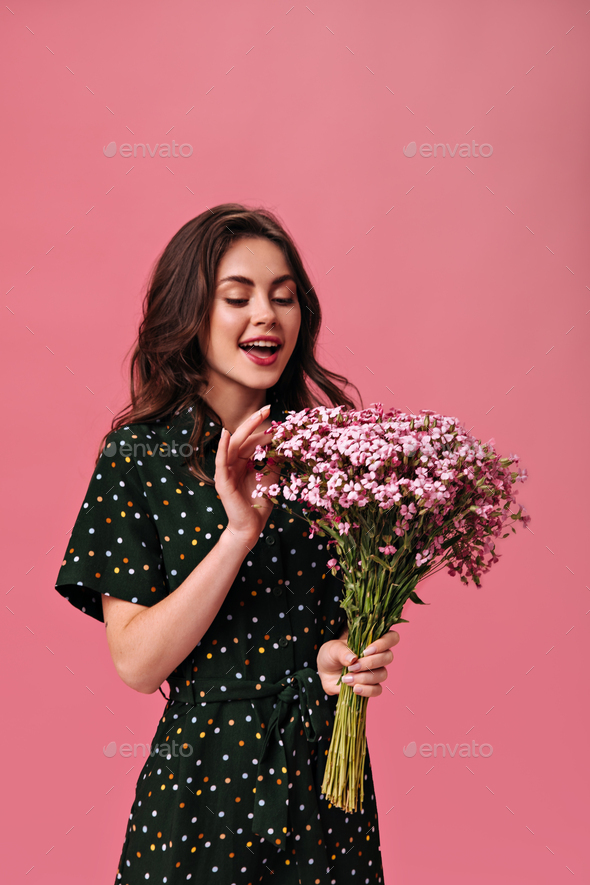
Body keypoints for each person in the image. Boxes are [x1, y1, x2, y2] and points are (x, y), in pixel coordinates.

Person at [54, 203, 400, 884]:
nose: (267, 315)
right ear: (193, 314)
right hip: (201, 789)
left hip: (325, 785)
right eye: (238, 297)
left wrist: (340, 659)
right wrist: (239, 532)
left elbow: (317, 634)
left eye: (284, 296)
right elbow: (137, 663)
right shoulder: (137, 457)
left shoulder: (331, 451)